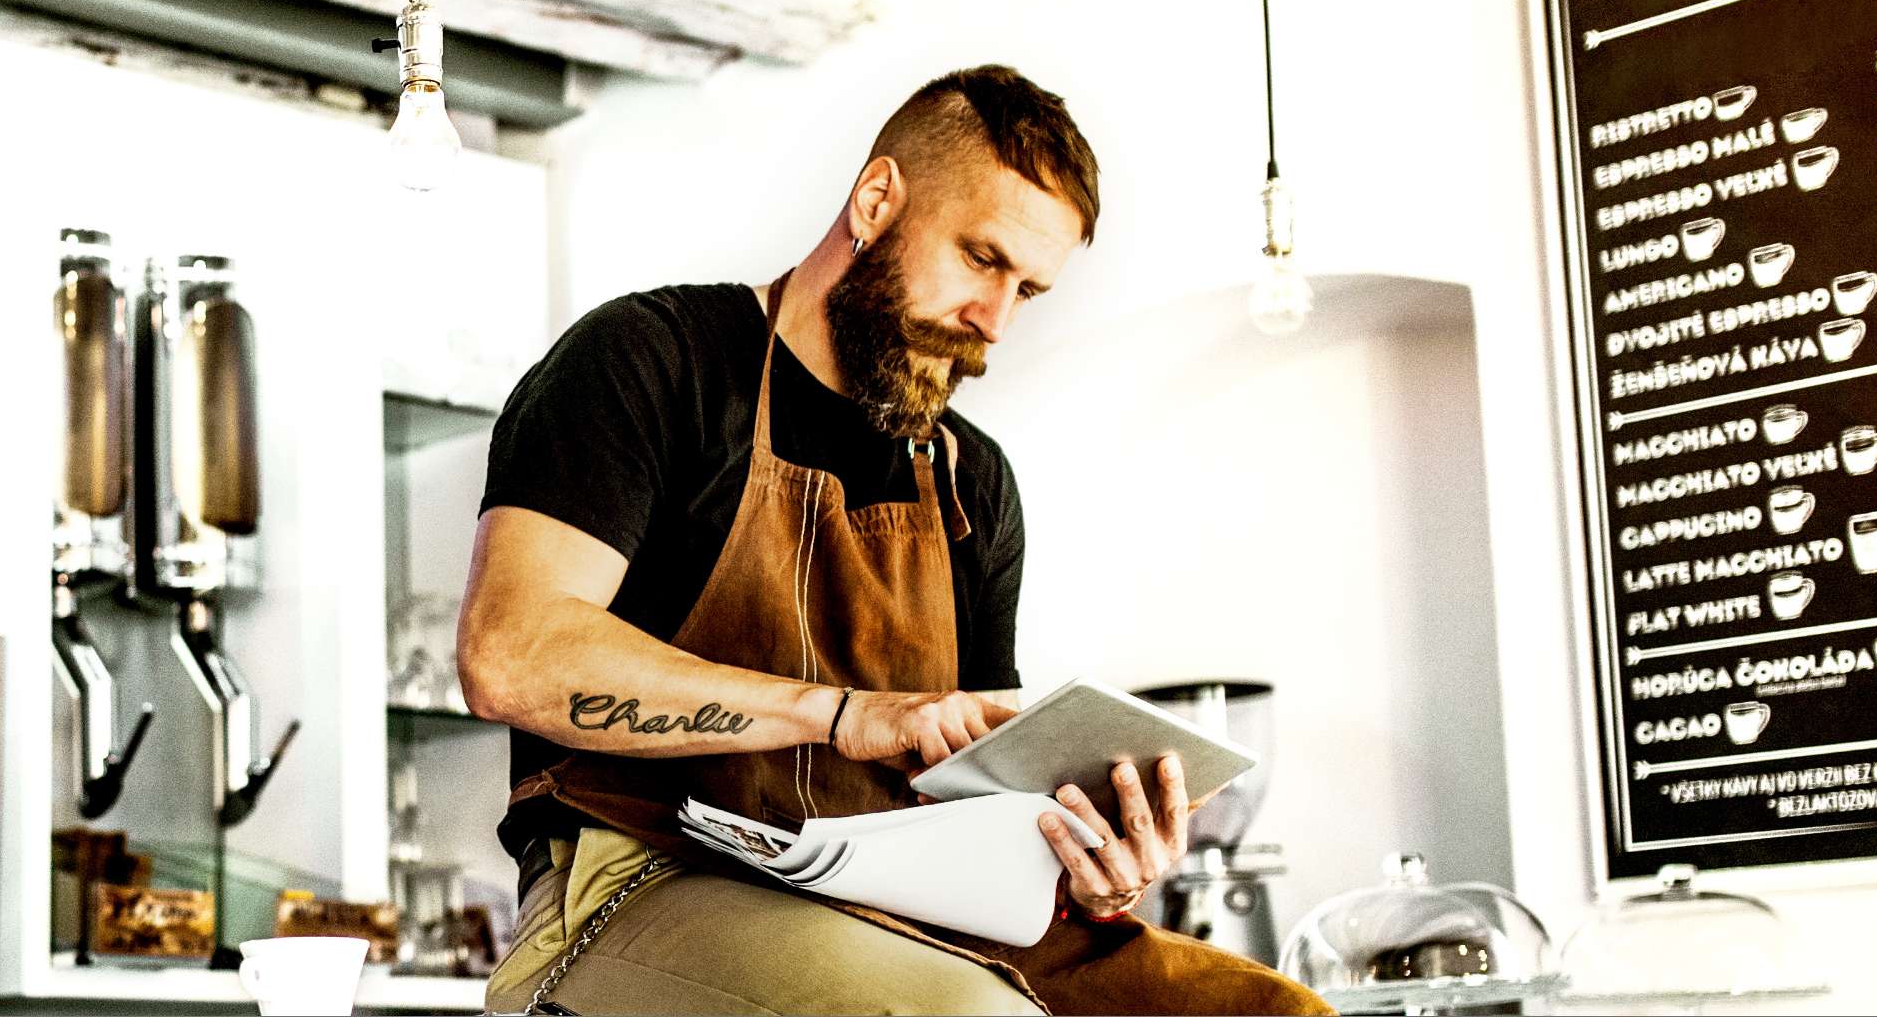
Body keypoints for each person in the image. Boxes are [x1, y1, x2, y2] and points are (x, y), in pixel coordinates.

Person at [459, 65, 1328, 1016]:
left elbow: (991, 810)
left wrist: (1090, 868)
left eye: (1027, 291)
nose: (992, 323)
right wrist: (838, 714)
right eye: (981, 259)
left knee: (1279, 1013)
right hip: (629, 883)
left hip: (901, 909)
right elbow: (511, 655)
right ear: (877, 200)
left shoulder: (972, 481)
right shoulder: (652, 359)